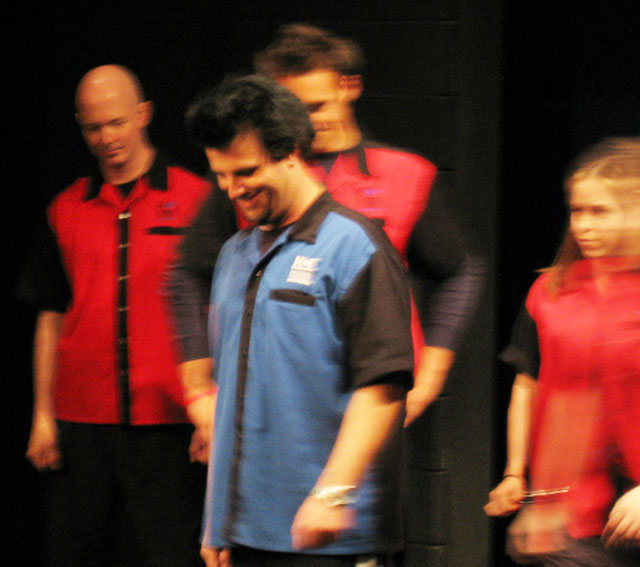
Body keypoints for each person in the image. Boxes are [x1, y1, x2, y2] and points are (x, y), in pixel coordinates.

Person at [168, 24, 485, 435]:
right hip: (266, 399)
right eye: (292, 110)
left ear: (348, 86)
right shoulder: (254, 175)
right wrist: (199, 388)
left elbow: (460, 269)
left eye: (315, 106)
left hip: (372, 395)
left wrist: (431, 373)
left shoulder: (405, 175)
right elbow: (188, 272)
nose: (304, 123)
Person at [186, 74, 414, 567]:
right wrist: (216, 519)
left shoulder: (354, 246)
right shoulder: (233, 255)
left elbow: (384, 387)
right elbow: (229, 395)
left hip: (328, 536)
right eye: (221, 175)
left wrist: (333, 494)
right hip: (245, 532)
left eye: (246, 171)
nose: (233, 189)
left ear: (290, 151)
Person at [20, 64, 210, 567]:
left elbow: (222, 312)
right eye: (93, 127)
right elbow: (50, 314)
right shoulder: (64, 208)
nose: (106, 138)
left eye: (117, 122)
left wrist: (213, 413)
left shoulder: (196, 200)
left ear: (144, 114)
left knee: (171, 553)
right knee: (72, 551)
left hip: (169, 418)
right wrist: (42, 417)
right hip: (81, 420)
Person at [485, 138, 640, 566]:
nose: (583, 226)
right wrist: (521, 477)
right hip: (579, 515)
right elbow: (547, 391)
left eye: (600, 212)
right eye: (577, 211)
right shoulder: (552, 291)